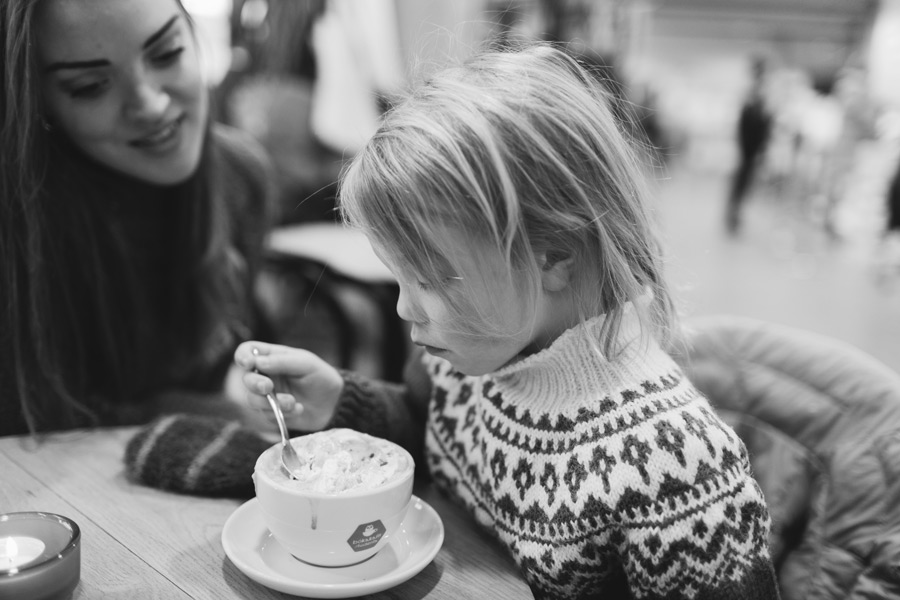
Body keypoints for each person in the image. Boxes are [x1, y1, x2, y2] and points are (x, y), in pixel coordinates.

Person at [232, 45, 780, 598]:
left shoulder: (674, 467)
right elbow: (434, 437)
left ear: (554, 257)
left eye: (432, 278)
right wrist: (341, 402)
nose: (403, 308)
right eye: (400, 277)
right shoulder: (466, 352)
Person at [0, 0, 278, 437]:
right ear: (37, 100)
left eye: (166, 54)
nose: (149, 104)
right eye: (90, 85)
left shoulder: (241, 177)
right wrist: (207, 411)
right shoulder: (19, 224)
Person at [726, 57, 773, 234]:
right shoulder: (754, 94)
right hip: (749, 148)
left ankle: (735, 215)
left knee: (743, 183)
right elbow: (750, 123)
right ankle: (734, 216)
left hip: (750, 148)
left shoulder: (757, 93)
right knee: (742, 183)